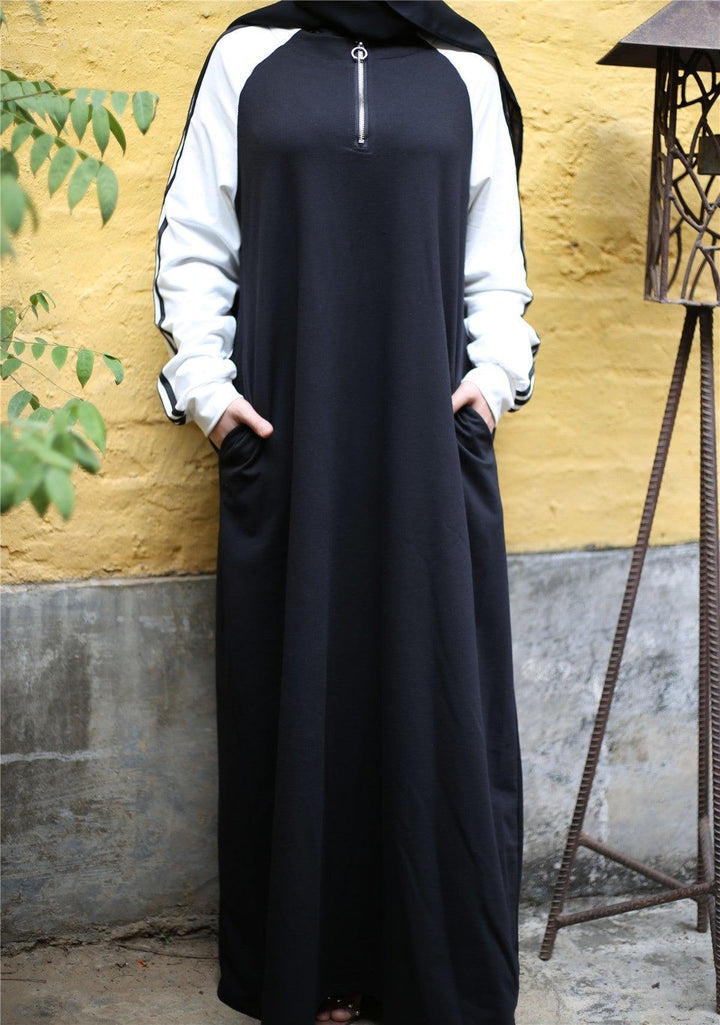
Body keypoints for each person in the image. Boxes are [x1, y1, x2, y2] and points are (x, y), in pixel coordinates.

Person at [153, 3, 540, 1024]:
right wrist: (209, 396)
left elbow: (497, 264)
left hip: (427, 447)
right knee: (296, 689)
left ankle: (424, 969)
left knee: (432, 691)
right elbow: (194, 242)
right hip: (289, 440)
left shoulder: (463, 69)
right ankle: (313, 963)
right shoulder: (249, 57)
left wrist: (491, 384)